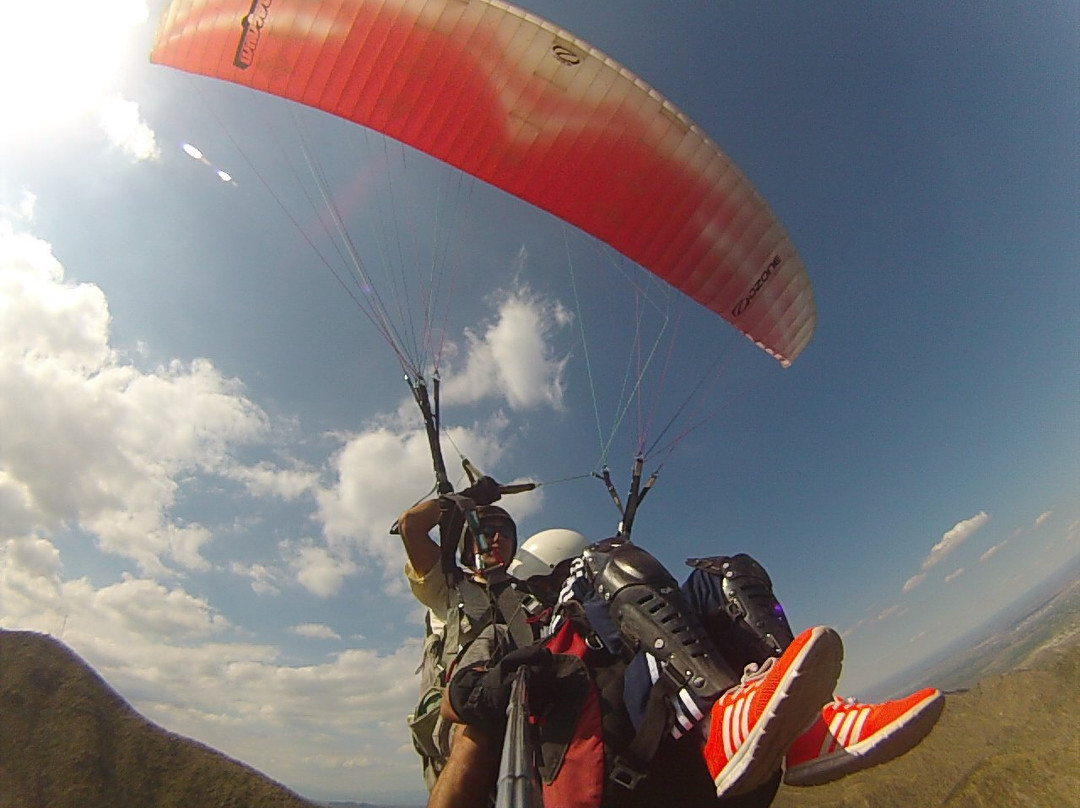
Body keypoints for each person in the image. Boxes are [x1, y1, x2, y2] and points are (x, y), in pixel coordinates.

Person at [445, 539, 944, 807]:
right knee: (616, 561)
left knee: (724, 575)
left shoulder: (599, 606)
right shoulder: (528, 628)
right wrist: (488, 684)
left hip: (653, 709)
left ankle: (809, 724)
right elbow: (456, 700)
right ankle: (716, 711)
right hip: (616, 732)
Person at [398, 476, 542, 807]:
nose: (496, 538)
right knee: (476, 726)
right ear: (468, 544)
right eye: (487, 530)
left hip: (519, 704)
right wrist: (464, 498)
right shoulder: (447, 586)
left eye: (505, 534)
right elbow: (412, 525)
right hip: (456, 711)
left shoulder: (527, 601)